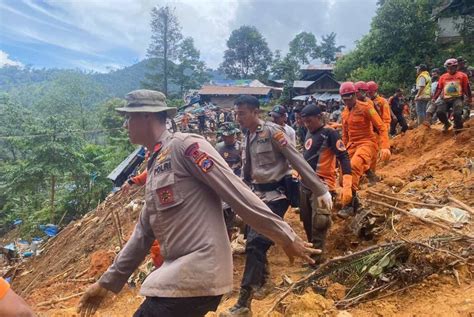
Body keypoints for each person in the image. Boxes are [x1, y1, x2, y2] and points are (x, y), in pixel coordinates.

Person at [78, 90, 319, 317]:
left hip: (197, 276)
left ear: (146, 115)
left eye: (128, 118)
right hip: (178, 277)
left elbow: (238, 193)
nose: (125, 125)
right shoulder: (155, 164)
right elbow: (142, 233)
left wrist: (285, 235)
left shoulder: (187, 147)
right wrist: (106, 283)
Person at [222, 95, 332, 317]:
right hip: (256, 196)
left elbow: (297, 160)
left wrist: (321, 189)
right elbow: (247, 171)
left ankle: (244, 303)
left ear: (255, 112)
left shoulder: (273, 132)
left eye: (241, 113)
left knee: (256, 242)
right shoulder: (247, 135)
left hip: (277, 195)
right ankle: (262, 282)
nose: (238, 118)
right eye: (236, 113)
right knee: (253, 239)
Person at [299, 103, 352, 264]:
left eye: (310, 121)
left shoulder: (330, 133)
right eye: (305, 121)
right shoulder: (308, 132)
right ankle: (313, 254)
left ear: (319, 117)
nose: (308, 124)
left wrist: (347, 181)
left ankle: (317, 260)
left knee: (319, 222)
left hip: (322, 184)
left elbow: (343, 156)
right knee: (307, 221)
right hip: (305, 183)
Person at [338, 82, 391, 218]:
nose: (346, 100)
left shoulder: (367, 108)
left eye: (349, 97)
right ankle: (355, 203)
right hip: (351, 145)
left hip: (367, 143)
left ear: (355, 95)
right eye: (344, 98)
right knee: (342, 174)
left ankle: (348, 205)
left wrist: (385, 146)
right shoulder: (344, 113)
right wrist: (341, 154)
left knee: (354, 166)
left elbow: (381, 127)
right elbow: (345, 135)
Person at [432, 58, 472, 132]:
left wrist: (469, 97)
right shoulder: (443, 77)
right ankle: (447, 123)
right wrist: (434, 97)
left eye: (452, 67)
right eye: (448, 68)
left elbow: (466, 87)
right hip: (445, 98)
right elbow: (439, 88)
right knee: (439, 112)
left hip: (457, 98)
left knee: (457, 113)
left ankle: (458, 128)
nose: (450, 69)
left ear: (456, 67)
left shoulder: (462, 76)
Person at [366, 81, 392, 183]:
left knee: (375, 153)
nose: (369, 95)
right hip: (369, 131)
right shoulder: (366, 103)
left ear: (375, 91)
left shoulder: (382, 102)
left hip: (378, 130)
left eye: (370, 92)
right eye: (367, 93)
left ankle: (372, 173)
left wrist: (384, 130)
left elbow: (386, 118)